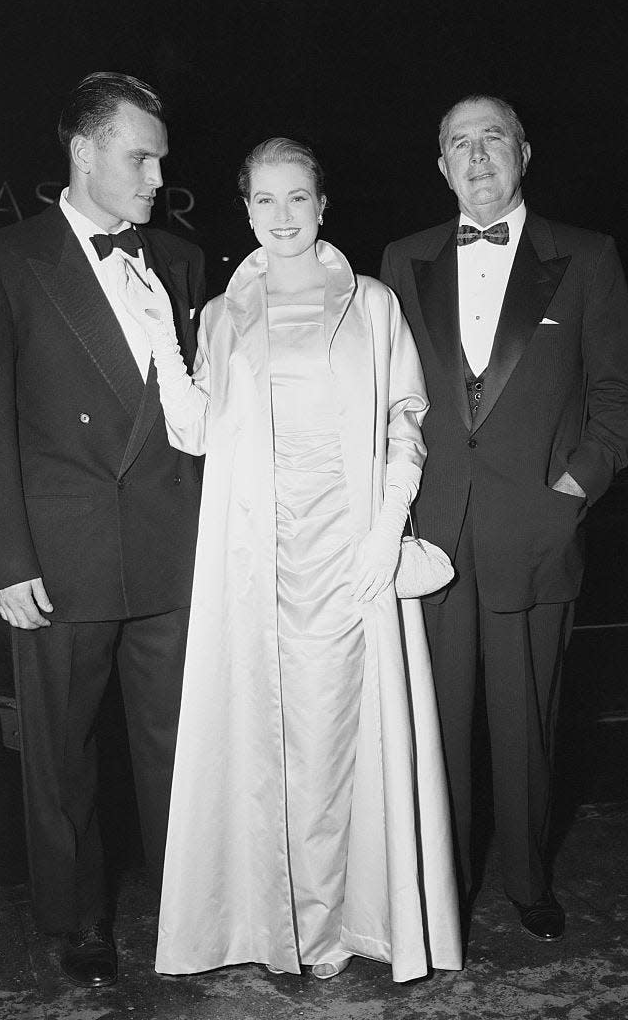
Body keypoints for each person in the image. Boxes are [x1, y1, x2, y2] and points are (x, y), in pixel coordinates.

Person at [127, 138, 461, 981]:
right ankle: (272, 927)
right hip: (256, 556)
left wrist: (388, 523)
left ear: (322, 204)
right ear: (245, 210)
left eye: (298, 198)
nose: (283, 216)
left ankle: (349, 924)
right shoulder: (223, 316)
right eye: (265, 200)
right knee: (265, 737)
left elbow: (403, 419)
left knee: (342, 733)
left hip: (349, 548)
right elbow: (196, 432)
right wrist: (165, 346)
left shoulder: (374, 304)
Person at [380, 95, 628, 942]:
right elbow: (381, 397)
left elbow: (622, 395)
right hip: (430, 540)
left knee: (527, 723)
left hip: (534, 532)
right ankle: (443, 886)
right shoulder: (401, 259)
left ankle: (530, 880)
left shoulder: (587, 256)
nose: (476, 155)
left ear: (524, 152)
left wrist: (571, 489)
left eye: (492, 137)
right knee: (440, 726)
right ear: (439, 165)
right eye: (457, 142)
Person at [0, 72, 205, 987]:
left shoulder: (185, 261)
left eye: (160, 157)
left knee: (178, 747)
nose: (157, 174)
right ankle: (78, 921)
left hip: (170, 544)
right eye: (139, 155)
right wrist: (6, 557)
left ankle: (189, 905)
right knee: (63, 753)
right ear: (83, 152)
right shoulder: (8, 258)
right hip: (63, 553)